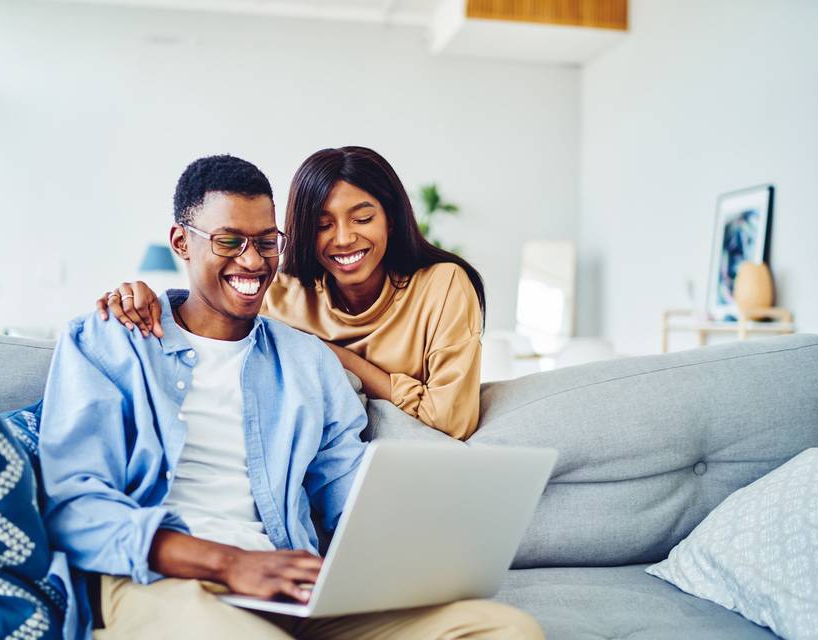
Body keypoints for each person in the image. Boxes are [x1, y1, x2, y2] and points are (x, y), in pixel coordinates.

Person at [40, 155, 543, 639]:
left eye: (265, 242)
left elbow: (346, 488)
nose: (253, 261)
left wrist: (410, 556)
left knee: (503, 629)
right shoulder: (108, 340)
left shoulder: (307, 361)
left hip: (289, 585)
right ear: (181, 242)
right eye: (229, 241)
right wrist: (232, 563)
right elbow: (73, 507)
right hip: (159, 583)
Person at [97, 147, 485, 440]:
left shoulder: (443, 285)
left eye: (363, 218)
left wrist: (338, 357)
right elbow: (211, 317)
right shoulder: (281, 295)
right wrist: (146, 300)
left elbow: (452, 420)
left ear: (392, 220)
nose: (345, 238)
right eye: (323, 225)